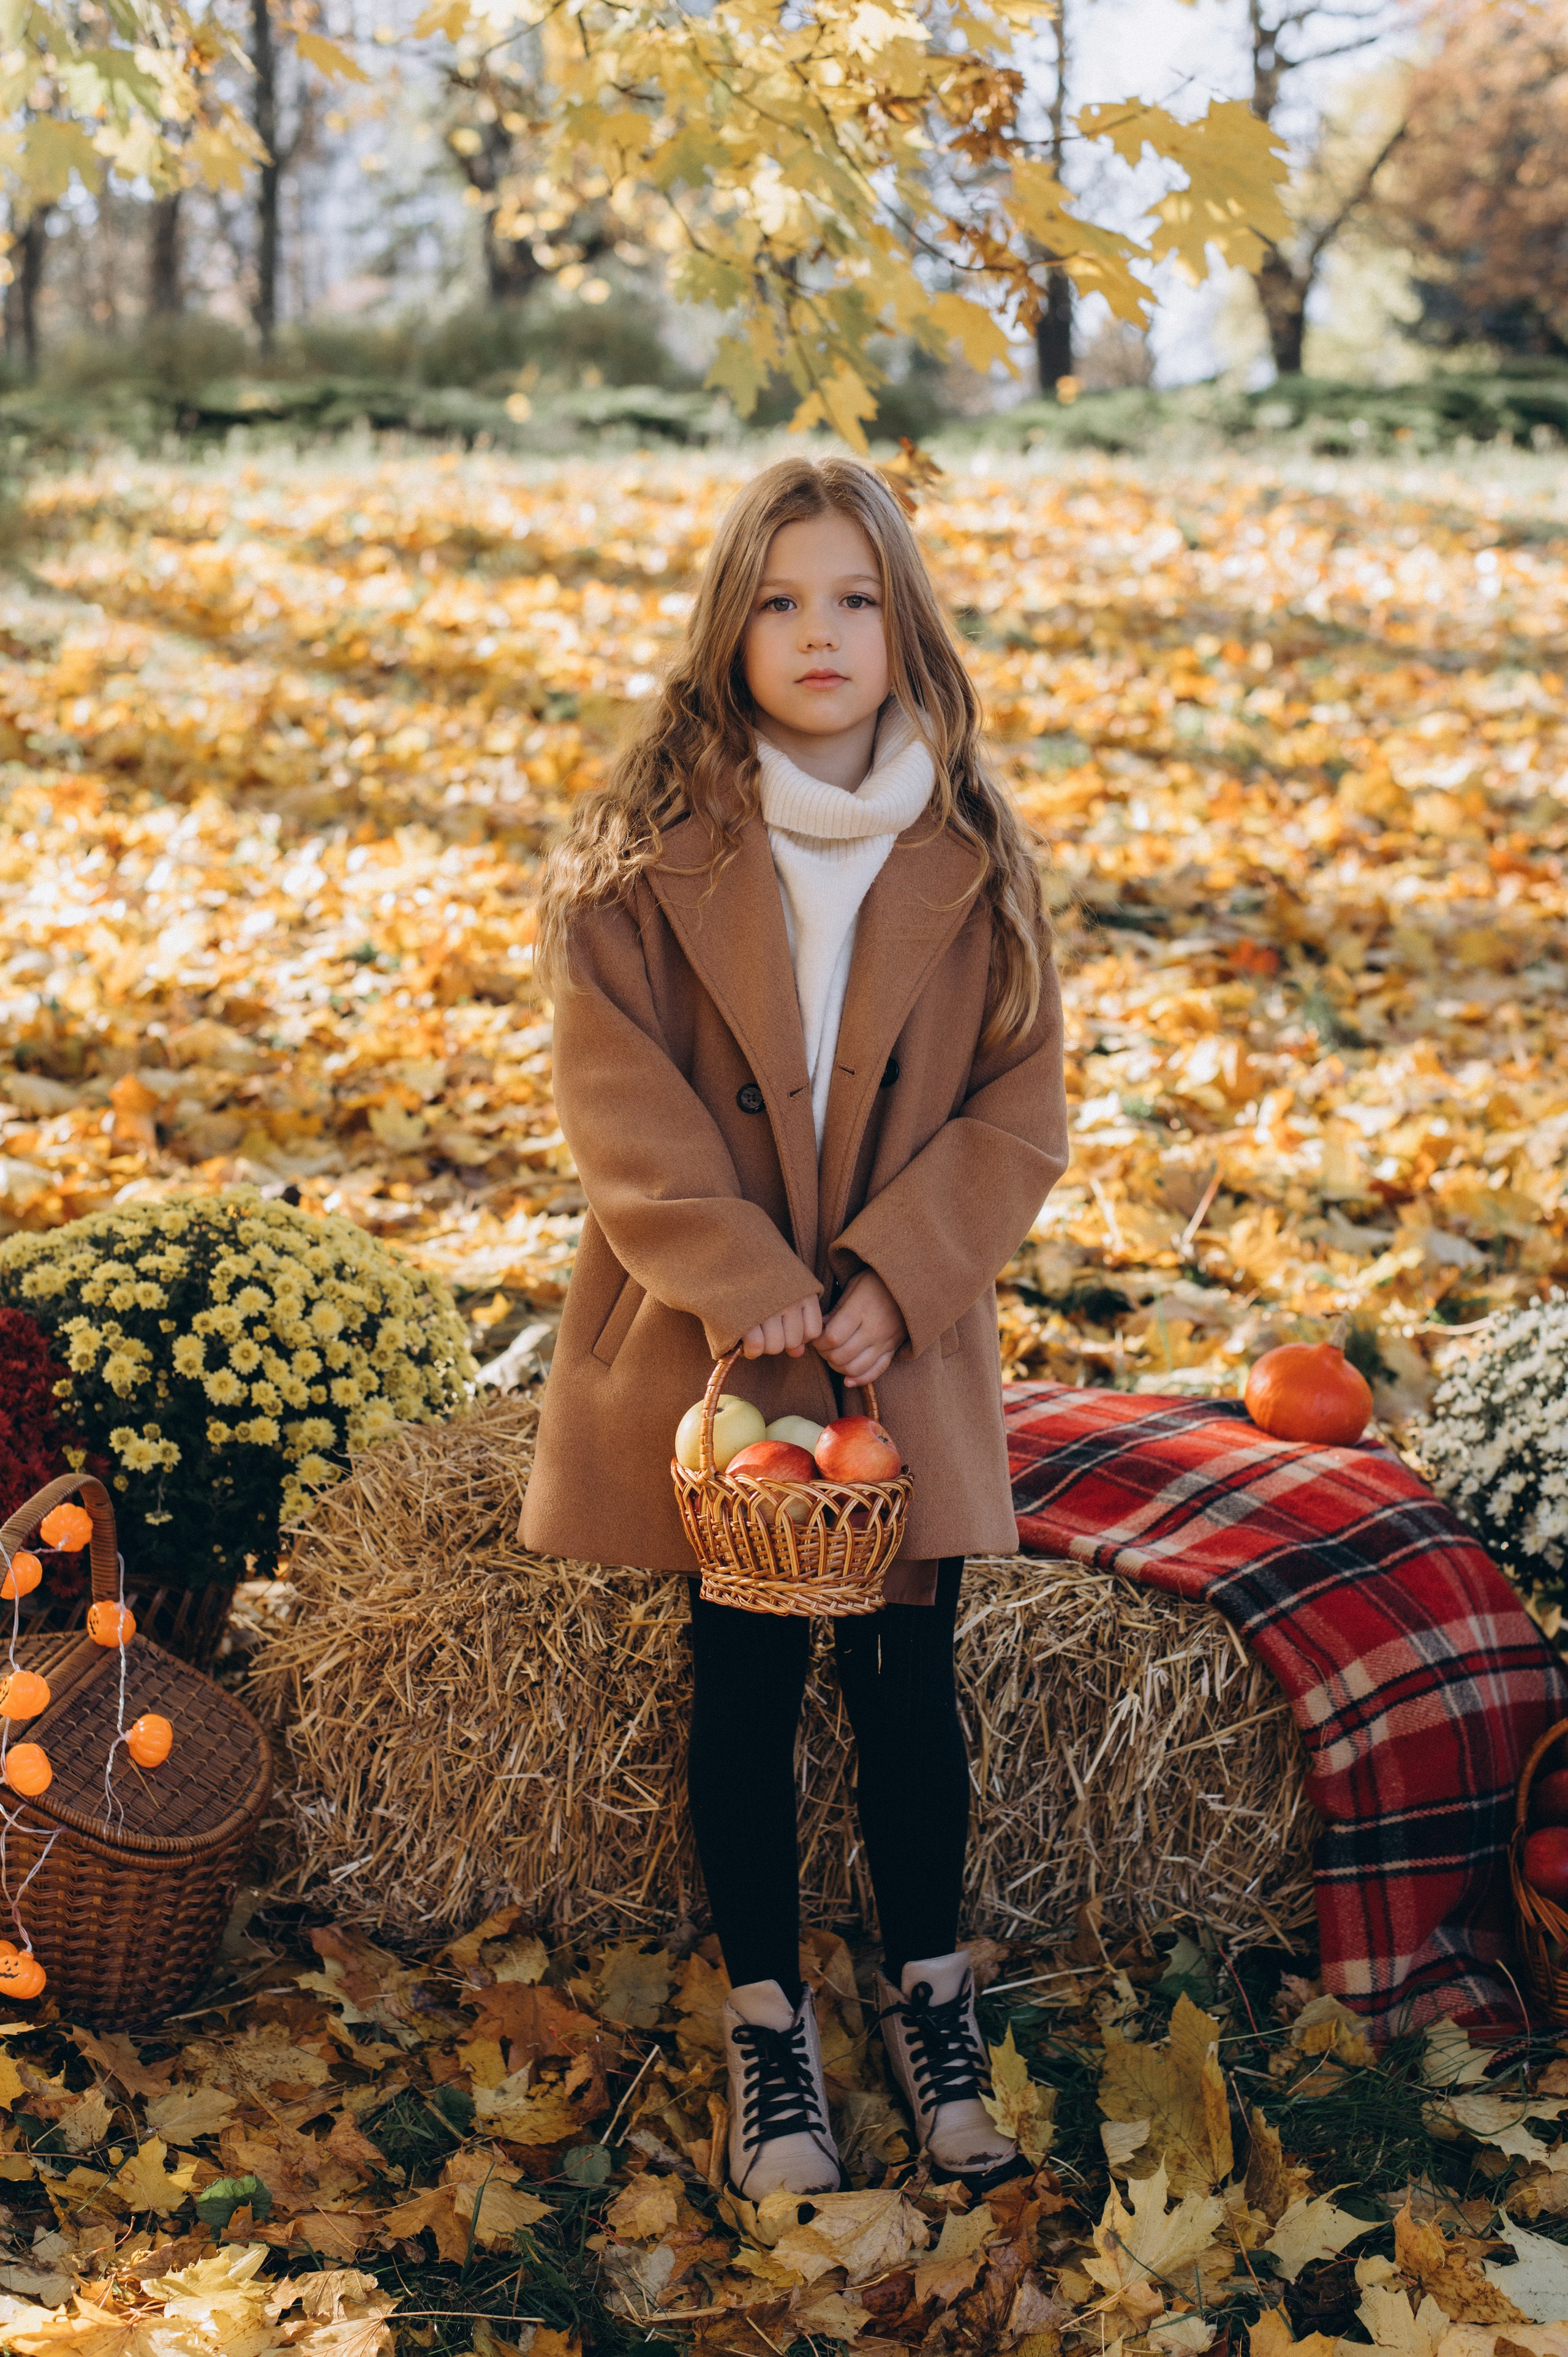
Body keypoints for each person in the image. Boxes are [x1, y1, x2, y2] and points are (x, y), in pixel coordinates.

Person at [526, 454, 1068, 2199]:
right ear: (727, 627)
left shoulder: (973, 856)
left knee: (917, 1682)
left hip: (891, 1344)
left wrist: (897, 1276)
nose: (818, 633)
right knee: (744, 1674)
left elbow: (1017, 1109)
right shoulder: (647, 848)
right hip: (725, 1338)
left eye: (854, 598)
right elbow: (616, 1086)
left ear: (905, 627)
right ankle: (770, 2025)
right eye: (779, 600)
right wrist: (742, 1270)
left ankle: (932, 2002)